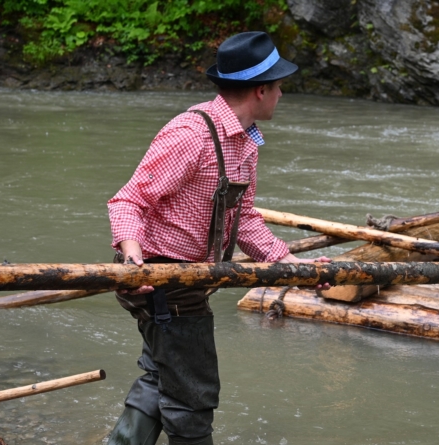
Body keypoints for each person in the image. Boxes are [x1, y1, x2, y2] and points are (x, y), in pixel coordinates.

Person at [106, 31, 330, 445]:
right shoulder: (191, 134)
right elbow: (127, 201)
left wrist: (291, 265)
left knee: (164, 375)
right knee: (193, 396)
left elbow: (242, 217)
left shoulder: (245, 142)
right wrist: (133, 264)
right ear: (260, 91)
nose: (282, 95)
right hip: (163, 281)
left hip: (190, 278)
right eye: (280, 87)